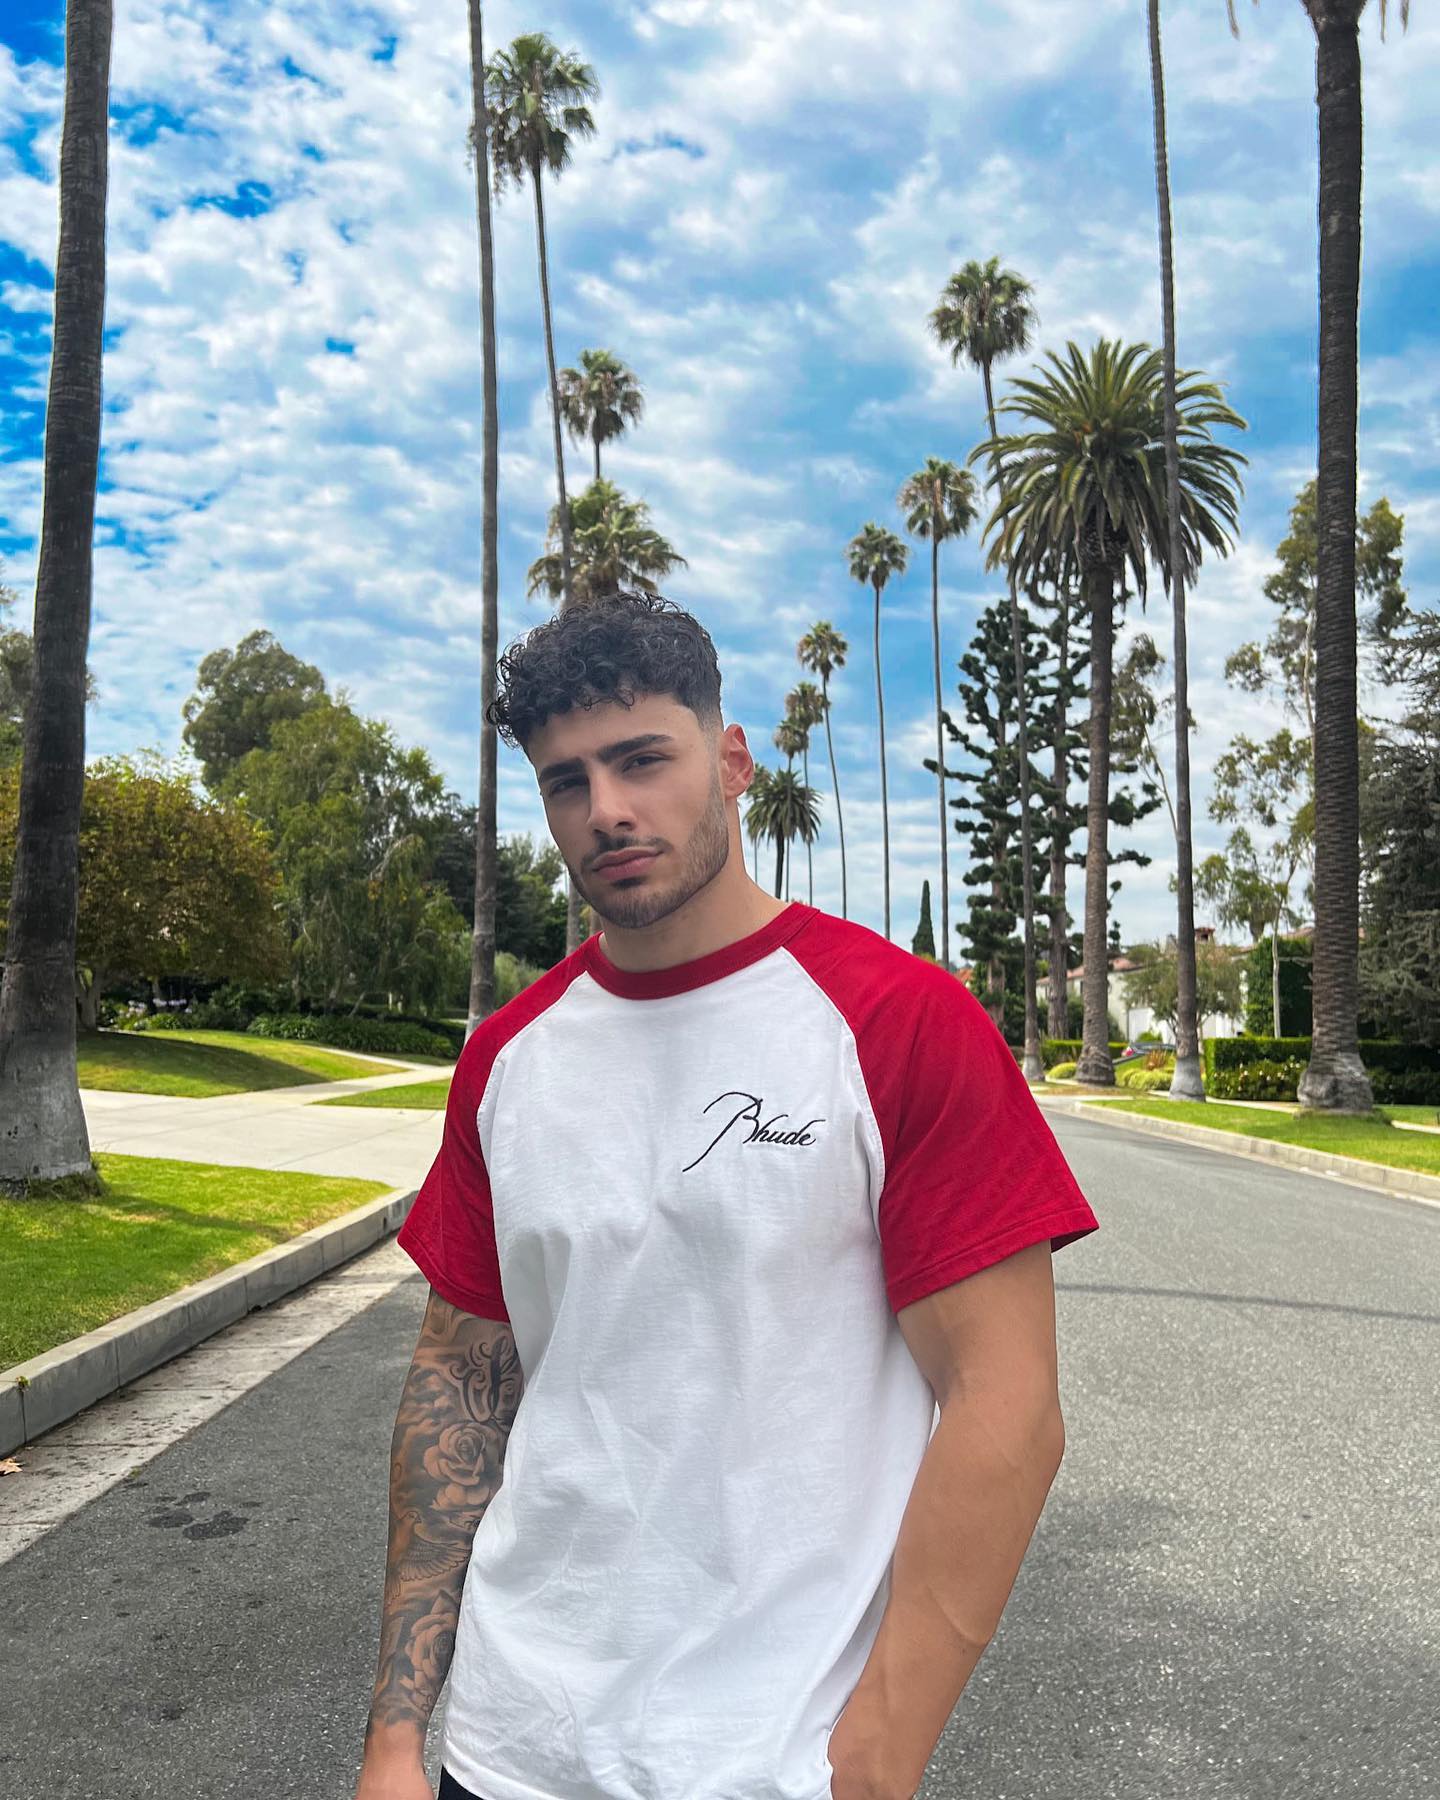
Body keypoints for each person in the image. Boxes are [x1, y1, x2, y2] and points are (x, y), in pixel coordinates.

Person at [353, 591, 1100, 1800]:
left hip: (771, 1761)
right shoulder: (509, 1058)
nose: (607, 809)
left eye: (643, 759)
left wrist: (879, 1755)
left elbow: (1006, 1405)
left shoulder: (896, 1023)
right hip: (508, 1747)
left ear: (733, 759)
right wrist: (397, 1735)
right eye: (565, 782)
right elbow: (460, 1378)